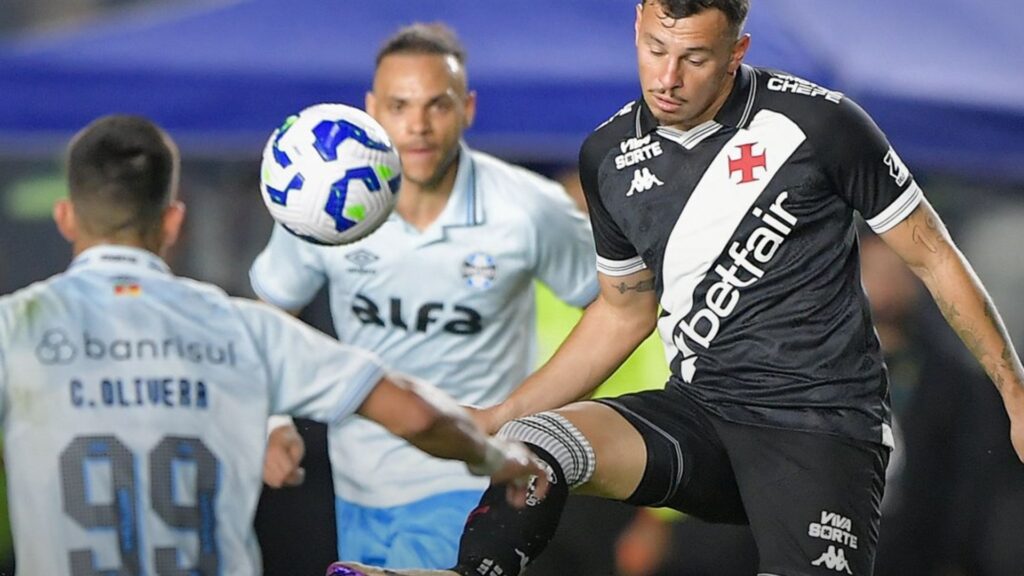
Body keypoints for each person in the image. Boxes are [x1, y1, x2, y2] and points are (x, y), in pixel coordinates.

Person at [328, 1, 1024, 576]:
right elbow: (622, 313)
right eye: (655, 48)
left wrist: (1014, 390)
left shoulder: (821, 124)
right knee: (535, 441)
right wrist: (496, 415)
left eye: (694, 57)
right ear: (637, 25)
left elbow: (935, 259)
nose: (667, 77)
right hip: (702, 416)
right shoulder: (607, 155)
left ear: (736, 51)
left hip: (820, 429)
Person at [0, 114, 547, 575]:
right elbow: (416, 414)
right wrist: (495, 457)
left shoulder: (14, 327)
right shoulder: (243, 327)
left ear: (65, 217)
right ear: (173, 222)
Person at [250, 23, 598, 570]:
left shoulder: (530, 209)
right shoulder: (324, 207)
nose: (417, 125)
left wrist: (522, 416)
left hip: (472, 480)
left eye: (437, 105)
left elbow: (616, 311)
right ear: (372, 110)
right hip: (357, 482)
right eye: (399, 105)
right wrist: (272, 421)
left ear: (468, 109)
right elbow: (271, 315)